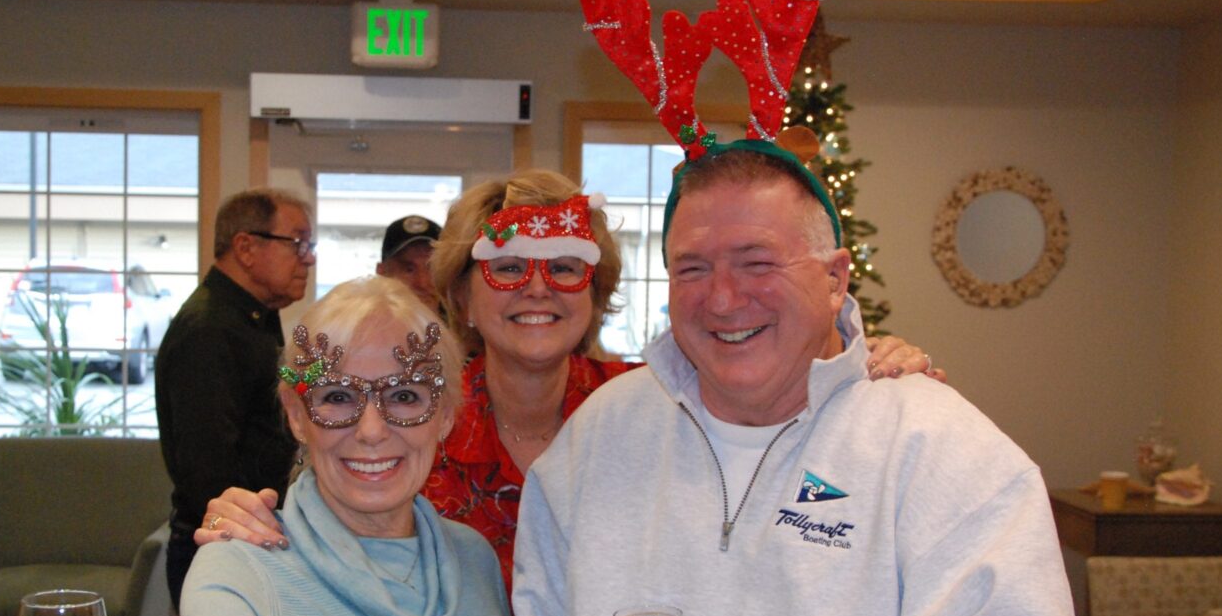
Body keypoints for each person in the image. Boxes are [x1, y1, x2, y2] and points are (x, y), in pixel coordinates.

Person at [510, 143, 1082, 616]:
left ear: (835, 279)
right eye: (692, 269)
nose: (722, 299)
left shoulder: (941, 450)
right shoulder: (599, 438)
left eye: (756, 263)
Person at [198, 172, 936, 589]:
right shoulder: (410, 417)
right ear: (462, 295)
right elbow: (325, 508)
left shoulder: (668, 405)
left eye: (563, 268)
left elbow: (777, 400)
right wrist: (251, 520)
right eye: (507, 268)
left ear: (595, 290)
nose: (537, 289)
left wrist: (864, 358)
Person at [179, 277, 587, 616]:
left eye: (404, 396)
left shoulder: (472, 559)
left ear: (445, 416)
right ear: (297, 415)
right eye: (337, 397)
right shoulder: (240, 562)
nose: (371, 430)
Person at [155, 189, 314, 608]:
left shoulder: (253, 319)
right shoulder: (210, 330)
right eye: (298, 243)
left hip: (254, 540)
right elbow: (207, 469)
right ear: (246, 248)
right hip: (226, 547)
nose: (309, 258)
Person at [375, 214, 442, 311]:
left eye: (431, 269)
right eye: (409, 270)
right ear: (382, 272)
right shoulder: (361, 318)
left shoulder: (461, 318)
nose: (422, 283)